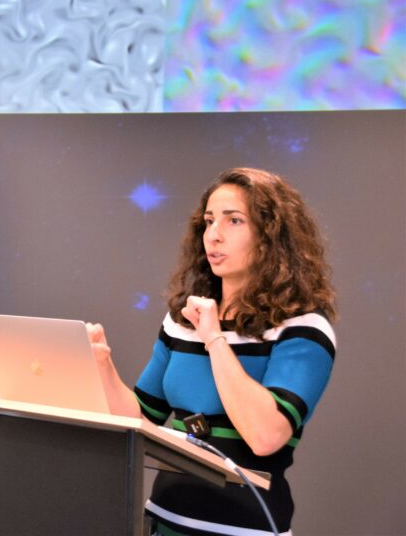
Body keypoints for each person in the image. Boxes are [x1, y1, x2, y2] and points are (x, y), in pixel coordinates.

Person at [88, 167, 337, 535]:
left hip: (244, 528)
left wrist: (215, 339)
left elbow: (265, 436)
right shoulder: (182, 320)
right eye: (208, 221)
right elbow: (141, 420)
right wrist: (102, 366)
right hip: (162, 522)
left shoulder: (303, 328)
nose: (214, 235)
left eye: (234, 220)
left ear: (271, 235)